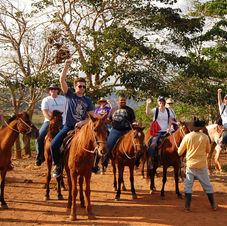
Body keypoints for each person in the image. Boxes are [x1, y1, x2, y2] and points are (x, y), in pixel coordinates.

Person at [51, 59, 95, 178]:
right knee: (53, 145)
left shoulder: (88, 100)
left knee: (98, 143)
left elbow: (92, 117)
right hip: (68, 126)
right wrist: (66, 66)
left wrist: (83, 122)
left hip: (83, 128)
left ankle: (94, 165)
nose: (81, 88)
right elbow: (62, 80)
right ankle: (58, 166)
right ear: (75, 87)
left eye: (83, 87)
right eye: (79, 86)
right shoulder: (70, 95)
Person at [177, 119, 218, 212]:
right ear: (199, 128)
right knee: (207, 185)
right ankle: (213, 204)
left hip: (190, 165)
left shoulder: (187, 137)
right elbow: (208, 150)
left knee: (188, 185)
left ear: (191, 128)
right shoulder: (205, 137)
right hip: (202, 164)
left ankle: (187, 207)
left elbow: (179, 152)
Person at [35, 83, 67, 166]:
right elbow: (45, 112)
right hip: (49, 122)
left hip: (62, 122)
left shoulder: (64, 99)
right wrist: (51, 120)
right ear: (49, 91)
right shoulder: (46, 100)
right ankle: (40, 156)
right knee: (39, 136)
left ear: (58, 91)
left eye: (55, 89)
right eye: (51, 89)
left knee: (71, 136)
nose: (53, 90)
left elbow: (67, 110)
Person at [101, 94, 136, 168]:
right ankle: (105, 160)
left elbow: (133, 120)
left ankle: (136, 160)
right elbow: (109, 120)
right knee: (109, 144)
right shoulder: (113, 109)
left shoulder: (130, 110)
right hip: (116, 130)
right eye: (121, 100)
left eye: (124, 100)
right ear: (118, 101)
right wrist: (103, 119)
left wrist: (135, 123)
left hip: (127, 130)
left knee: (136, 143)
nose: (123, 101)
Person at [146, 96, 172, 169]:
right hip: (158, 131)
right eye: (160, 101)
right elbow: (148, 113)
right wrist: (148, 104)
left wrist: (169, 128)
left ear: (164, 102)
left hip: (166, 130)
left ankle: (179, 160)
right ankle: (150, 160)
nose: (161, 103)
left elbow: (170, 120)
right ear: (158, 102)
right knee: (153, 144)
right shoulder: (156, 110)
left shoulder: (168, 110)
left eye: (163, 101)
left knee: (176, 142)